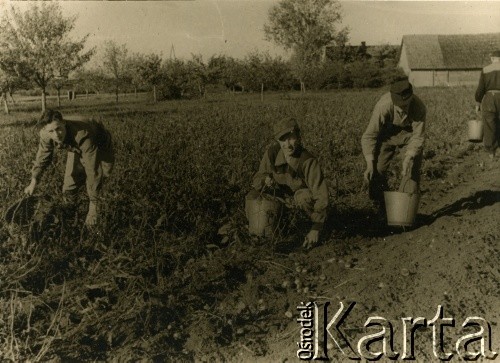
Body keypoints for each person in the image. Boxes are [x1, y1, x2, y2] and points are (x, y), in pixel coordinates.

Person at [24, 109, 114, 227]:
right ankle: (69, 214)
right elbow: (42, 158)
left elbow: (93, 170)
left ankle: (99, 211)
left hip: (99, 143)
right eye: (51, 131)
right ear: (46, 130)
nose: (56, 135)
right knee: (69, 187)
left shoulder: (83, 134)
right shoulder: (46, 133)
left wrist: (93, 208)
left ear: (64, 123)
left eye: (58, 129)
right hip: (74, 145)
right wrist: (33, 182)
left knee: (103, 177)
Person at [249, 116, 329, 248]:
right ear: (277, 141)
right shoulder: (271, 154)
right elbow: (257, 179)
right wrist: (265, 180)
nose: (288, 144)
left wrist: (316, 227)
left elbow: (321, 195)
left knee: (305, 198)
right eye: (283, 140)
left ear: (299, 137)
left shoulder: (307, 161)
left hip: (299, 202)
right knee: (254, 198)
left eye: (292, 138)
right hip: (279, 199)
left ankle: (308, 228)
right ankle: (267, 234)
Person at [361, 78, 426, 213]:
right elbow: (369, 136)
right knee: (377, 170)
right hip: (386, 135)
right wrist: (369, 164)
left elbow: (418, 137)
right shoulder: (383, 106)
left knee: (411, 170)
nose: (403, 109)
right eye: (400, 106)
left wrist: (409, 156)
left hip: (409, 136)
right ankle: (380, 208)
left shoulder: (419, 107)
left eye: (406, 105)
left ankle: (405, 212)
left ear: (411, 98)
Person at [475, 49, 500, 161]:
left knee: (489, 125)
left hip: (489, 98)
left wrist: (477, 102)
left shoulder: (485, 69)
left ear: (492, 58)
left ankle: (491, 152)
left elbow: (481, 88)